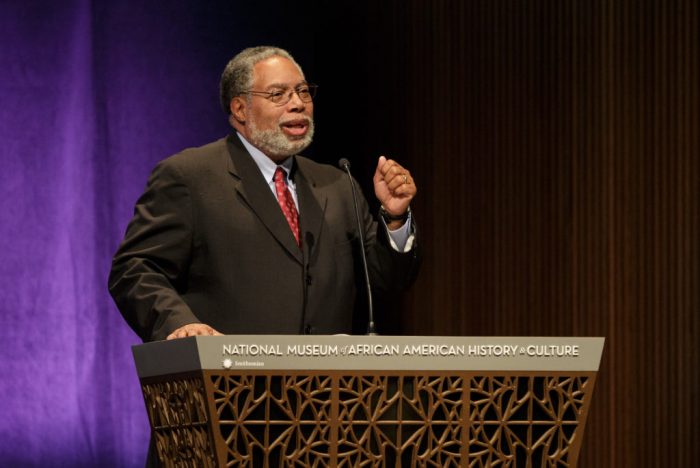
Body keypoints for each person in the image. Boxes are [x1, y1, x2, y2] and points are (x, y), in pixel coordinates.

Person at [109, 46, 420, 342]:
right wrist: (181, 324)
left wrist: (394, 218)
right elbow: (135, 269)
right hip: (232, 387)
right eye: (278, 94)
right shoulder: (191, 177)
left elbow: (386, 282)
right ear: (240, 108)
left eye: (302, 91)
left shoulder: (338, 185)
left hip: (327, 391)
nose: (298, 103)